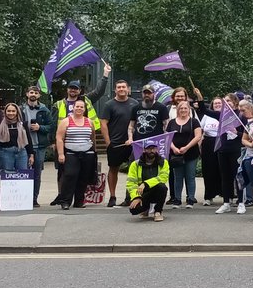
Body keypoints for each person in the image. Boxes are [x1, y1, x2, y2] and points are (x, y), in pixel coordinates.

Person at [55, 100, 98, 210]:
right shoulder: (65, 121)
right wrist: (61, 154)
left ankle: (79, 201)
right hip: (71, 153)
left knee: (83, 178)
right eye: (77, 106)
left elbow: (92, 137)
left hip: (87, 153)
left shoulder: (89, 121)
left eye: (81, 107)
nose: (79, 108)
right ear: (73, 108)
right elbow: (59, 138)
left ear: (84, 109)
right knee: (70, 175)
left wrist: (94, 151)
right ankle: (65, 201)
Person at [100, 80, 135, 208]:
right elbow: (103, 124)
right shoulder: (109, 105)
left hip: (131, 143)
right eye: (119, 87)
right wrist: (108, 142)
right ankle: (112, 197)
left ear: (128, 89)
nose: (121, 89)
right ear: (115, 90)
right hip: (115, 143)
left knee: (133, 170)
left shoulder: (134, 103)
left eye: (123, 87)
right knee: (113, 169)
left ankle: (130, 196)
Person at [51, 63, 110, 129]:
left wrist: (105, 74)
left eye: (76, 88)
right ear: (67, 90)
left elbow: (99, 92)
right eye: (71, 88)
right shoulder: (58, 104)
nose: (73, 90)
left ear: (79, 91)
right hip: (66, 136)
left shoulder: (86, 99)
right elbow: (53, 124)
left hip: (85, 134)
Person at [20, 87, 53, 207]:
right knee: (22, 171)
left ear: (39, 95)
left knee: (36, 173)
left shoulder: (44, 110)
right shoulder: (20, 109)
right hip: (23, 145)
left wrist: (40, 128)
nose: (33, 94)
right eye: (31, 92)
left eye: (36, 93)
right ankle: (22, 197)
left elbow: (51, 126)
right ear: (27, 94)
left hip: (39, 146)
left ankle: (34, 198)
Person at [166, 101, 202, 209]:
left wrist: (186, 147)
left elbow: (198, 136)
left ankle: (190, 199)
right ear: (178, 110)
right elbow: (167, 137)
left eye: (185, 108)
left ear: (189, 110)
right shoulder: (172, 122)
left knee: (190, 176)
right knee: (178, 177)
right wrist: (174, 148)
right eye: (181, 108)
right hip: (176, 154)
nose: (183, 110)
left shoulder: (194, 121)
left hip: (191, 153)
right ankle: (177, 199)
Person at [214, 94, 244, 214]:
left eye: (229, 101)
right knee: (225, 177)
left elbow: (247, 134)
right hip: (223, 149)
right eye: (224, 101)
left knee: (238, 177)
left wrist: (237, 133)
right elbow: (204, 110)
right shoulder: (221, 116)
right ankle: (226, 202)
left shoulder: (241, 116)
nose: (226, 103)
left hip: (236, 150)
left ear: (235, 103)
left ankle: (241, 203)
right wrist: (200, 97)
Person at [126, 142, 169, 222]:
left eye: (154, 148)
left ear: (157, 150)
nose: (152, 150)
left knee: (162, 187)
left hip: (157, 191)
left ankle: (158, 211)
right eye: (149, 148)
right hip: (142, 193)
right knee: (134, 209)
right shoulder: (135, 164)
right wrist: (137, 197)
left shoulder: (163, 162)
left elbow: (163, 178)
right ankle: (145, 209)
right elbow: (131, 184)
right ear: (144, 150)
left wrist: (145, 184)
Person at [194, 94, 224, 207]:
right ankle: (208, 196)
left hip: (221, 143)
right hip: (208, 144)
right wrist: (199, 146)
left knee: (222, 170)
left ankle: (225, 195)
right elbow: (201, 131)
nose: (217, 105)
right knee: (208, 170)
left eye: (219, 103)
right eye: (215, 103)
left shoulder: (225, 115)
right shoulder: (208, 116)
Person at [0, 103, 35, 173]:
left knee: (22, 174)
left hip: (21, 152)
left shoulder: (23, 124)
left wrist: (31, 155)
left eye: (13, 111)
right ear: (5, 112)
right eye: (9, 111)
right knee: (7, 175)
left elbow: (28, 139)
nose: (11, 113)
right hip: (5, 153)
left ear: (17, 112)